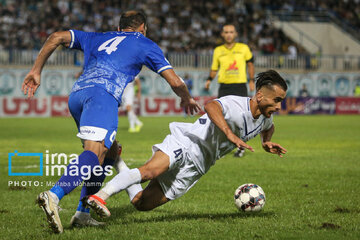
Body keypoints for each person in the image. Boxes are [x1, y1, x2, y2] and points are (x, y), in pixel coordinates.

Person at [21, 10, 200, 233]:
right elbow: (175, 81)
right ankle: (53, 195)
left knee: (111, 153)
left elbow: (56, 37)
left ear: (119, 28)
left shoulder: (97, 37)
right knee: (94, 155)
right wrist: (187, 98)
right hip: (102, 96)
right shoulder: (145, 43)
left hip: (77, 96)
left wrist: (36, 70)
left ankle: (82, 214)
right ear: (143, 27)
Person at [83, 70, 287, 217]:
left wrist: (266, 142)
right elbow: (211, 106)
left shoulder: (266, 118)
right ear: (260, 96)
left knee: (141, 204)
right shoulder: (236, 104)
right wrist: (229, 134)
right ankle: (100, 196)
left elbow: (269, 127)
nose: (279, 106)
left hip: (199, 165)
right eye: (276, 100)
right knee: (150, 171)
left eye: (281, 101)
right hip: (188, 141)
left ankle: (117, 159)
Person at [204, 23, 255, 158]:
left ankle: (241, 147)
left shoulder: (243, 48)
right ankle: (220, 145)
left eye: (231, 32)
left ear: (235, 34)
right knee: (222, 116)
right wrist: (209, 79)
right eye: (226, 32)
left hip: (239, 85)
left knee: (242, 117)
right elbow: (214, 69)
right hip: (225, 86)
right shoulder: (218, 50)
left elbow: (250, 64)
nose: (228, 34)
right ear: (222, 34)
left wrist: (251, 80)